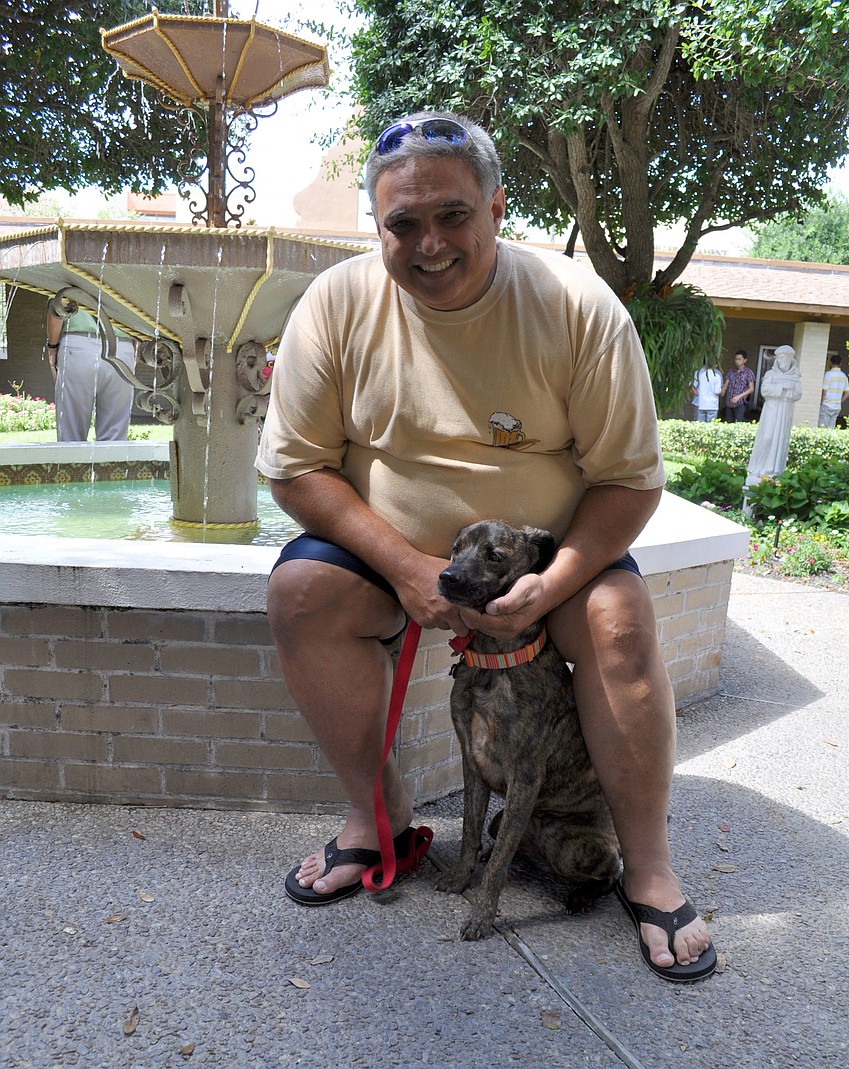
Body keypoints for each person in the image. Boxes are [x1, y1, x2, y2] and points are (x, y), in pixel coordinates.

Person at [256, 111, 715, 982]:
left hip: (541, 558)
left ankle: (648, 865)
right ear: (377, 225)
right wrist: (402, 564)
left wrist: (554, 583)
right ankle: (377, 818)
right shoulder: (338, 304)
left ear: (498, 206)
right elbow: (295, 470)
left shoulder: (578, 307)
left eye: (453, 215)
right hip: (391, 551)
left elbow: (629, 481)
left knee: (617, 617)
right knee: (300, 593)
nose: (428, 243)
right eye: (403, 223)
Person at [47, 302, 136, 441]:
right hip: (121, 347)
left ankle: (72, 463)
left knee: (71, 436)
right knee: (114, 438)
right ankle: (111, 462)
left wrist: (52, 347)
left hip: (78, 345)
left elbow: (60, 304)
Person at [745, 345, 803, 488]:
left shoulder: (795, 376)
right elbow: (765, 390)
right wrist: (783, 387)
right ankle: (758, 469)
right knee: (767, 437)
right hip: (771, 408)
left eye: (785, 358)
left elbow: (797, 394)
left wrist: (787, 391)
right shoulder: (771, 374)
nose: (782, 361)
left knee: (780, 440)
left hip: (785, 410)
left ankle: (773, 471)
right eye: (780, 358)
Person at [721, 350, 755, 421]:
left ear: (745, 360)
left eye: (739, 359)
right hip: (729, 402)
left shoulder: (748, 372)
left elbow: (751, 389)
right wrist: (723, 390)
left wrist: (739, 397)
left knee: (738, 421)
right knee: (728, 422)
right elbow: (726, 384)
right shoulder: (731, 371)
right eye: (736, 359)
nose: (737, 361)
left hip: (740, 403)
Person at [818, 354, 849, 429]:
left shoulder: (828, 374)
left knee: (822, 427)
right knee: (831, 427)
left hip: (826, 404)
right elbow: (847, 392)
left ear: (830, 363)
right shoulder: (843, 376)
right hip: (837, 406)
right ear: (840, 363)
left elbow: (824, 390)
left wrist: (821, 402)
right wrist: (840, 401)